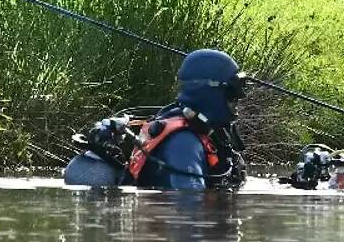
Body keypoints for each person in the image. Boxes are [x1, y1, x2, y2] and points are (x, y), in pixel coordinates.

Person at [63, 49, 247, 190]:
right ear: (210, 92)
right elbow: (190, 211)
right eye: (233, 92)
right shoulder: (184, 144)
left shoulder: (203, 131)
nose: (239, 98)